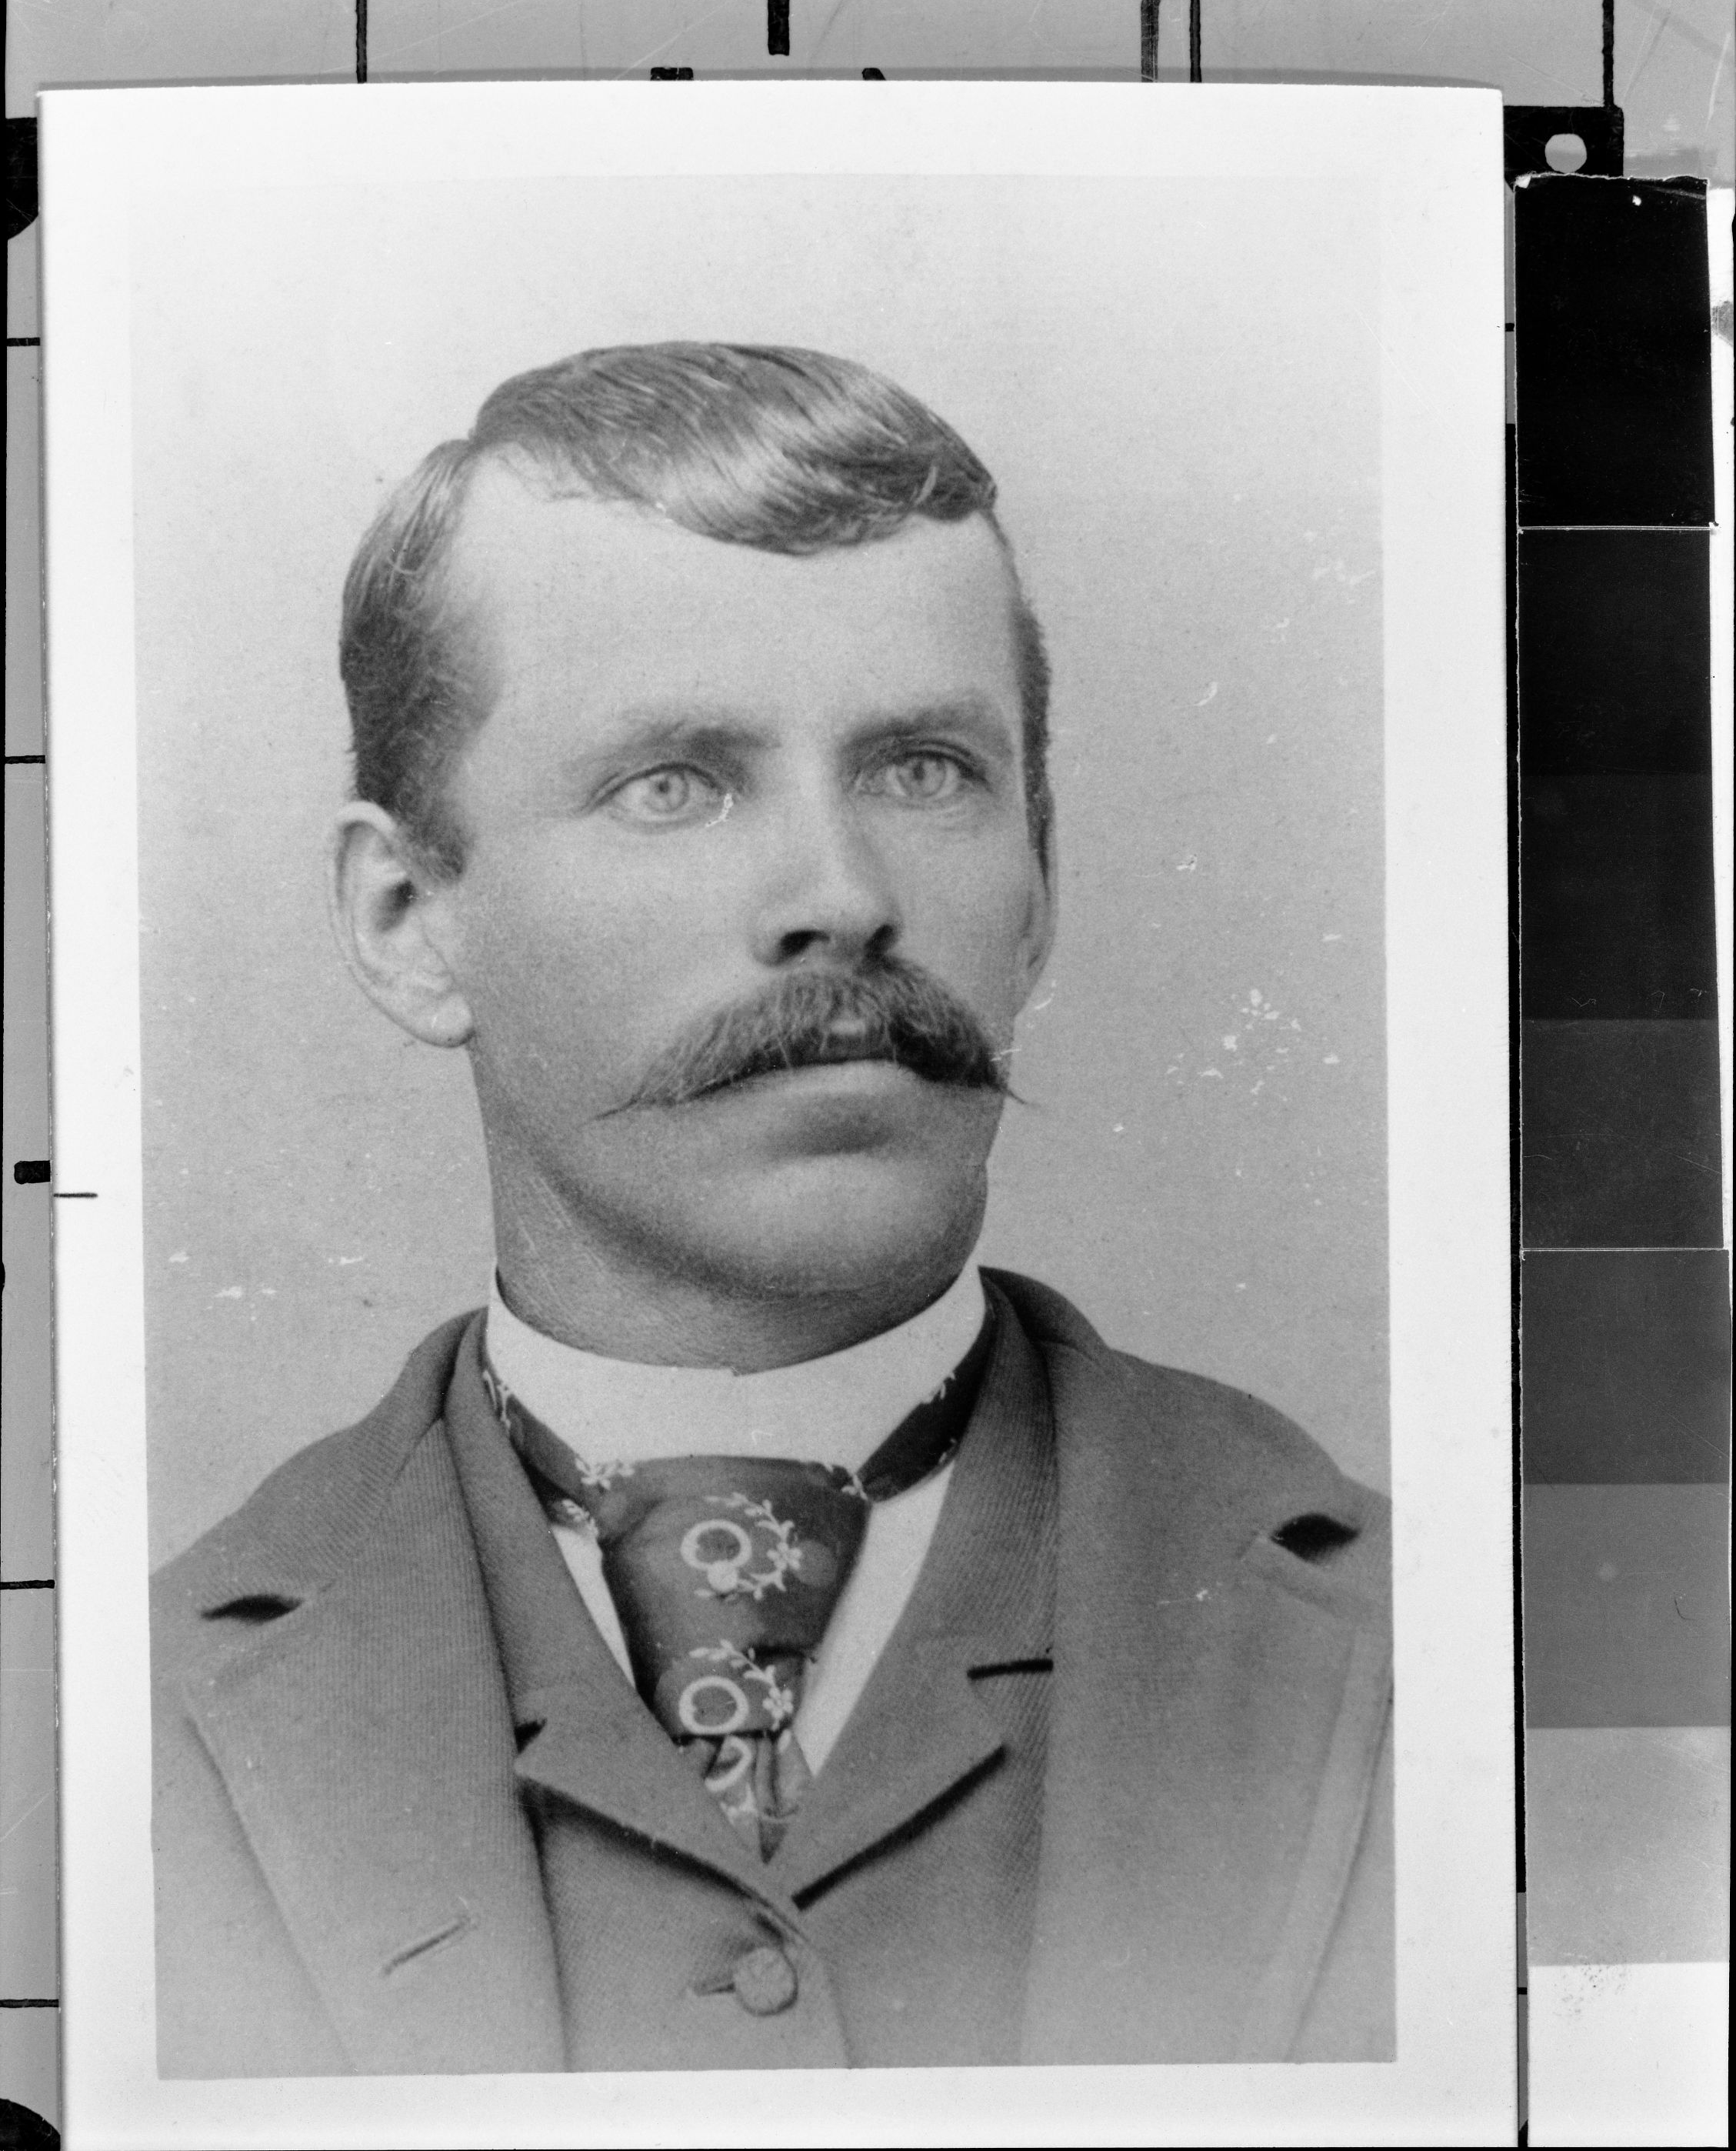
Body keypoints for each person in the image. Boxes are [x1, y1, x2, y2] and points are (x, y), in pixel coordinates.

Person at [151, 342, 1392, 2078]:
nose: (841, 895)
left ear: (1039, 887)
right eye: (676, 781)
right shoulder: (127, 1720)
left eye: (923, 770)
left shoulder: (1414, 1636)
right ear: (405, 918)